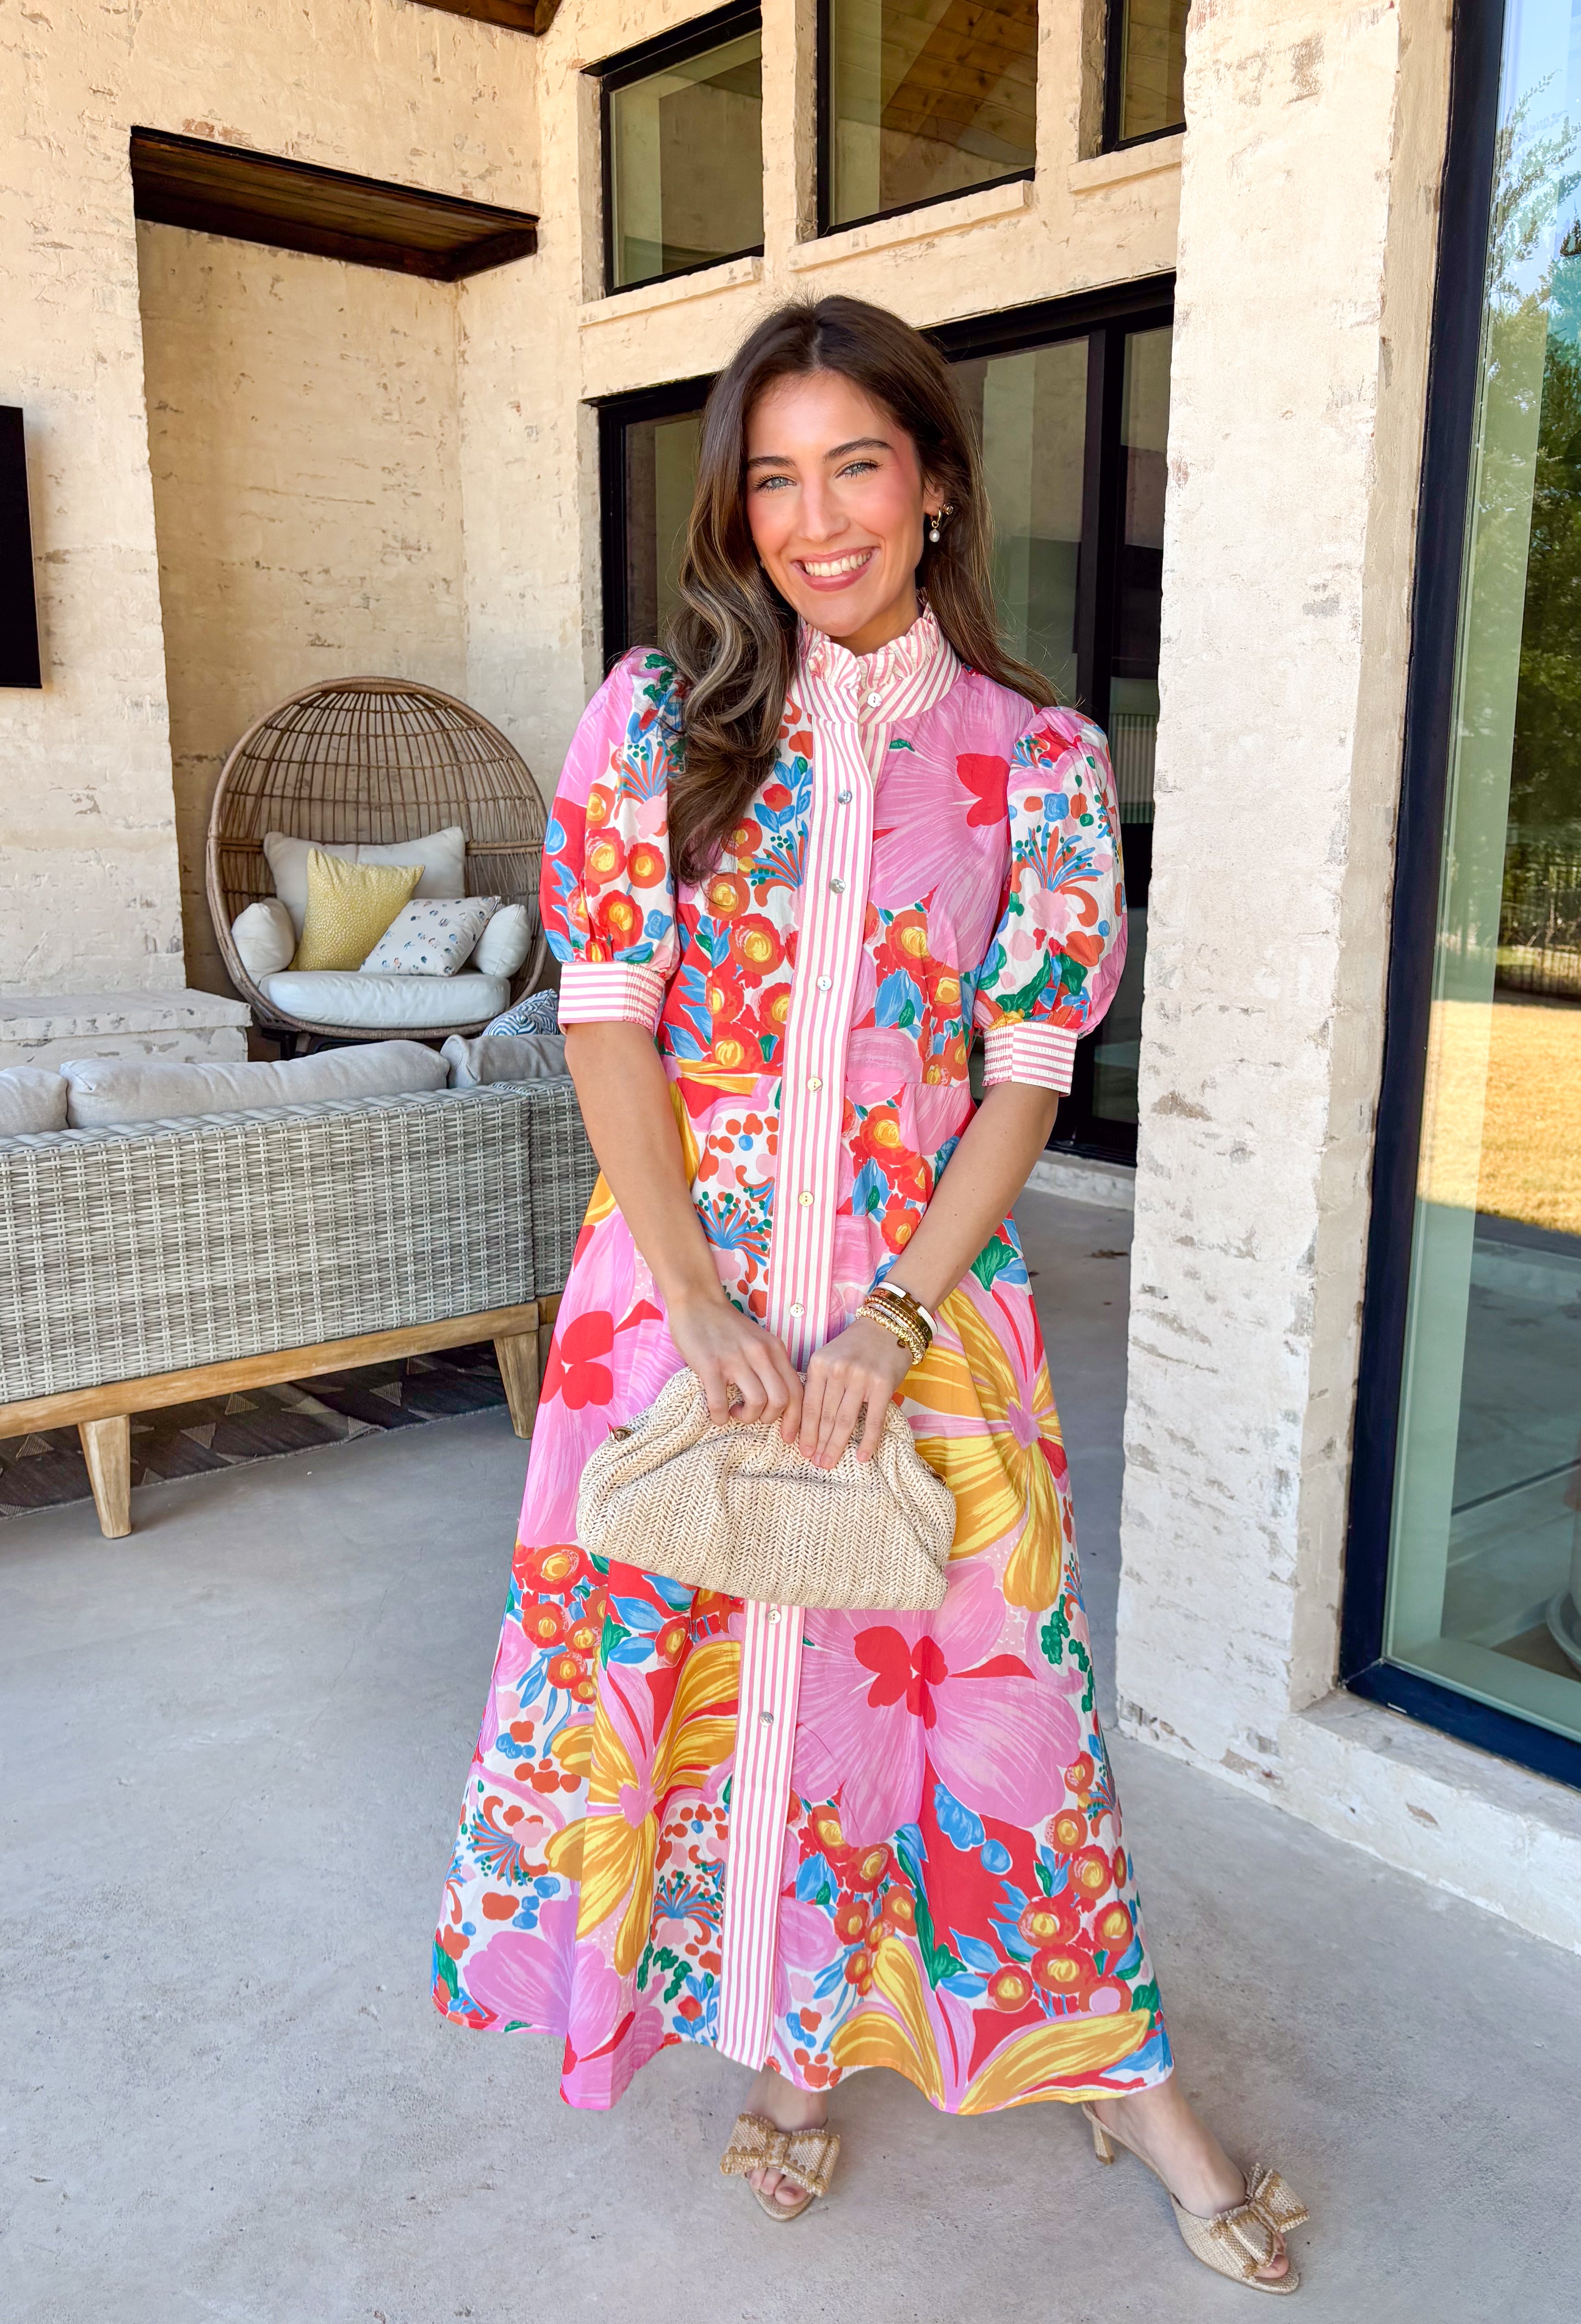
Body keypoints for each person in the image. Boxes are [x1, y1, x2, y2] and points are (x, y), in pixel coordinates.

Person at [434, 295, 1307, 2293]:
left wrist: (893, 1320)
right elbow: (606, 1024)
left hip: (928, 1315)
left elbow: (1024, 1073)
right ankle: (790, 2051)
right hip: (669, 1310)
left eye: (856, 466)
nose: (815, 519)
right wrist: (700, 1301)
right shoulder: (653, 724)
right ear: (734, 510)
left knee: (989, 1700)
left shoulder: (1041, 762)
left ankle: (1122, 2073)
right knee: (697, 1680)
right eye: (772, 475)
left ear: (930, 484)